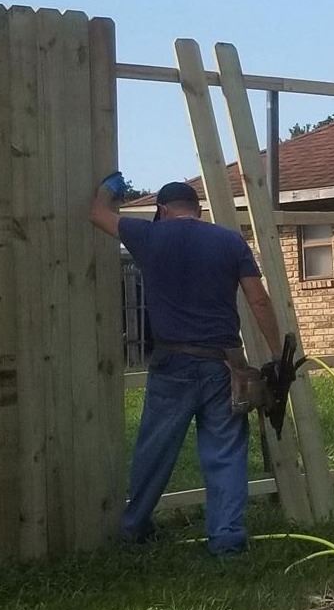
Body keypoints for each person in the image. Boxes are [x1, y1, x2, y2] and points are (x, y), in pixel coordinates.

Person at [89, 176, 281, 555]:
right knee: (225, 454)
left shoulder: (148, 236)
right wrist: (276, 354)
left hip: (171, 362)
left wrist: (109, 190)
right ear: (198, 210)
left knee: (155, 450)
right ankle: (227, 541)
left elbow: (97, 214)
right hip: (224, 366)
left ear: (161, 210)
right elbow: (258, 300)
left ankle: (134, 529)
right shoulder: (228, 241)